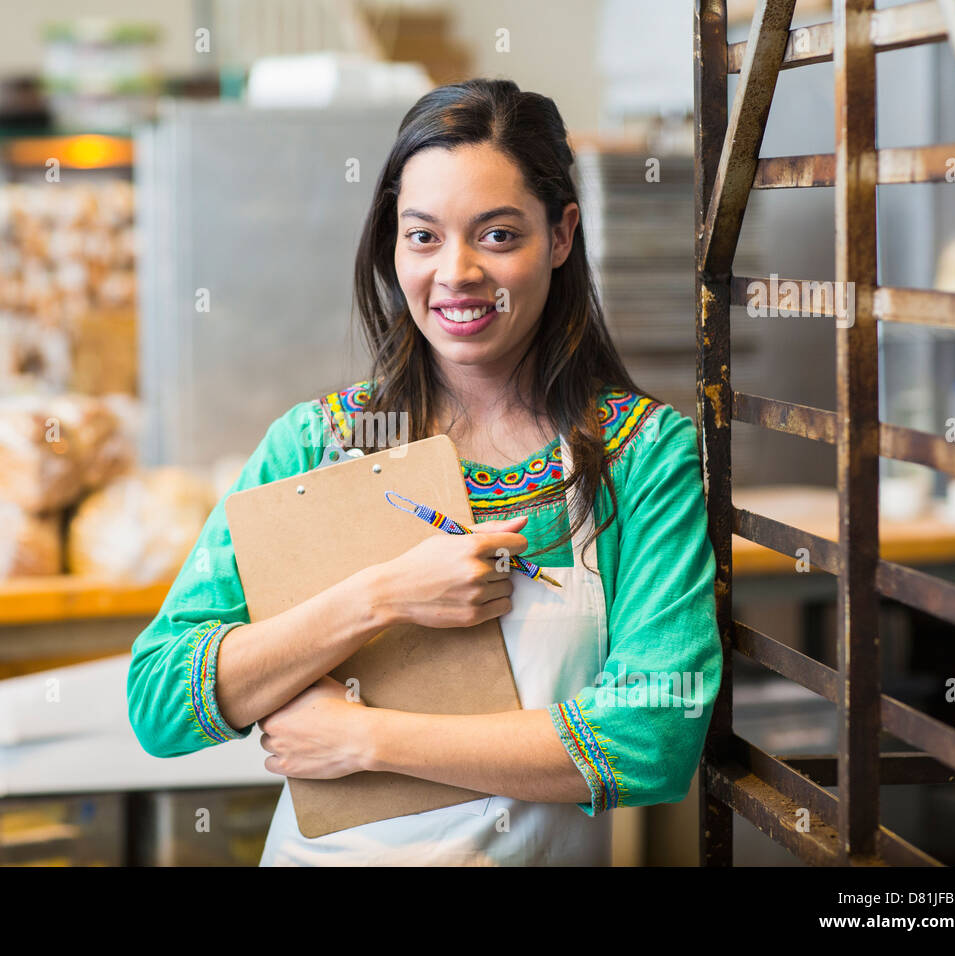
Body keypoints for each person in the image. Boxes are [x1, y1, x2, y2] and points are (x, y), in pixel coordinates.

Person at [127, 78, 721, 866]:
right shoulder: (316, 445)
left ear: (563, 235)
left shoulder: (639, 458)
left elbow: (652, 736)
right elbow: (161, 702)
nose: (457, 272)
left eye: (499, 236)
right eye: (424, 236)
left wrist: (363, 739)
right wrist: (381, 597)